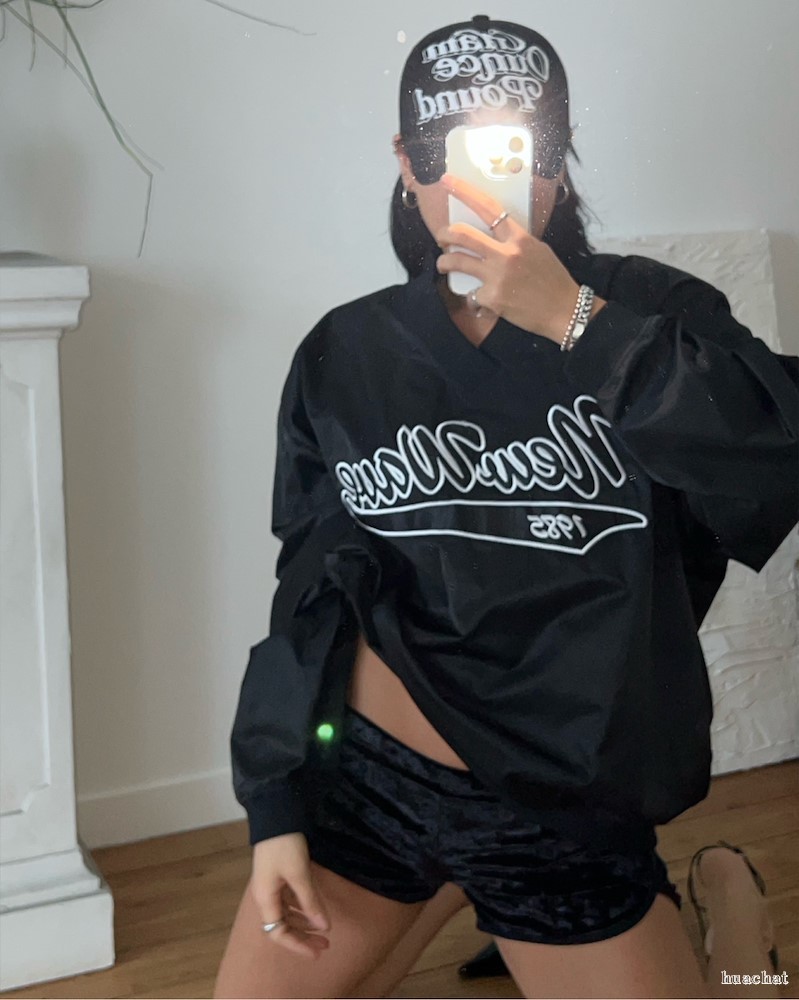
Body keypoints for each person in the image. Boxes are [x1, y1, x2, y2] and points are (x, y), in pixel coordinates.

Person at [214, 15, 797, 1000]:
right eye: (442, 148)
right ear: (406, 162)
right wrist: (275, 804)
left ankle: (732, 904)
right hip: (372, 785)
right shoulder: (344, 354)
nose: (476, 178)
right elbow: (312, 583)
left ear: (555, 166)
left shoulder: (655, 313)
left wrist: (575, 322)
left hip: (560, 803)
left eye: (520, 147)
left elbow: (772, 457)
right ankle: (446, 888)